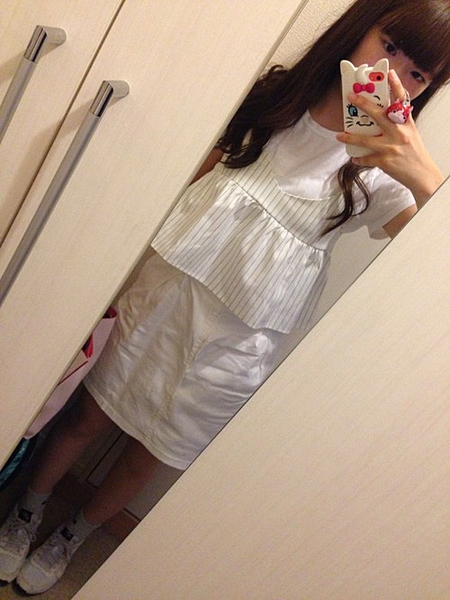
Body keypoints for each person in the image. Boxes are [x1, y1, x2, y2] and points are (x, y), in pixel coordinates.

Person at [1, 0, 449, 593]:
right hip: (164, 296)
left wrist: (424, 176)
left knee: (152, 452)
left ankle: (72, 535)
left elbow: (430, 263)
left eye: (417, 73)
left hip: (239, 344)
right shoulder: (276, 97)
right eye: (388, 47)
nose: (391, 73)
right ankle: (28, 509)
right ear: (359, 27)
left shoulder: (382, 174)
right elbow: (192, 171)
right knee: (88, 412)